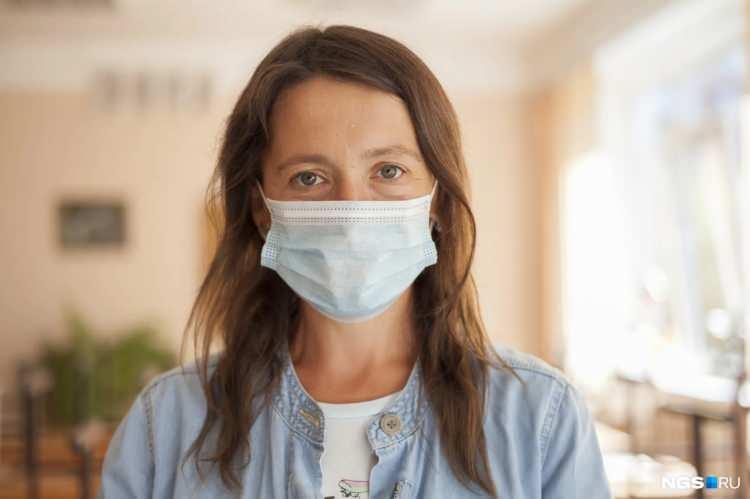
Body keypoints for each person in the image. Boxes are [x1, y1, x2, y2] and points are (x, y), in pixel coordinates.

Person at [97, 25, 613, 499]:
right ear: (261, 210)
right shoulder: (166, 425)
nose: (350, 212)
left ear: (436, 198)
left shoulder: (539, 418)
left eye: (388, 170)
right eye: (308, 177)